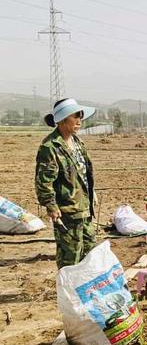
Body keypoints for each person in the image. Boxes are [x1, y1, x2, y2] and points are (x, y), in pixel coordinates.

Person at [35, 98, 97, 269]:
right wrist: (51, 205)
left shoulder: (77, 143)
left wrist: (92, 192)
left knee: (90, 255)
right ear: (62, 119)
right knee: (70, 259)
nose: (79, 120)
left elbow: (83, 172)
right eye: (75, 116)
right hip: (66, 214)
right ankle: (69, 295)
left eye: (81, 116)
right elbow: (44, 182)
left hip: (84, 210)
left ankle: (85, 293)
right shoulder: (50, 147)